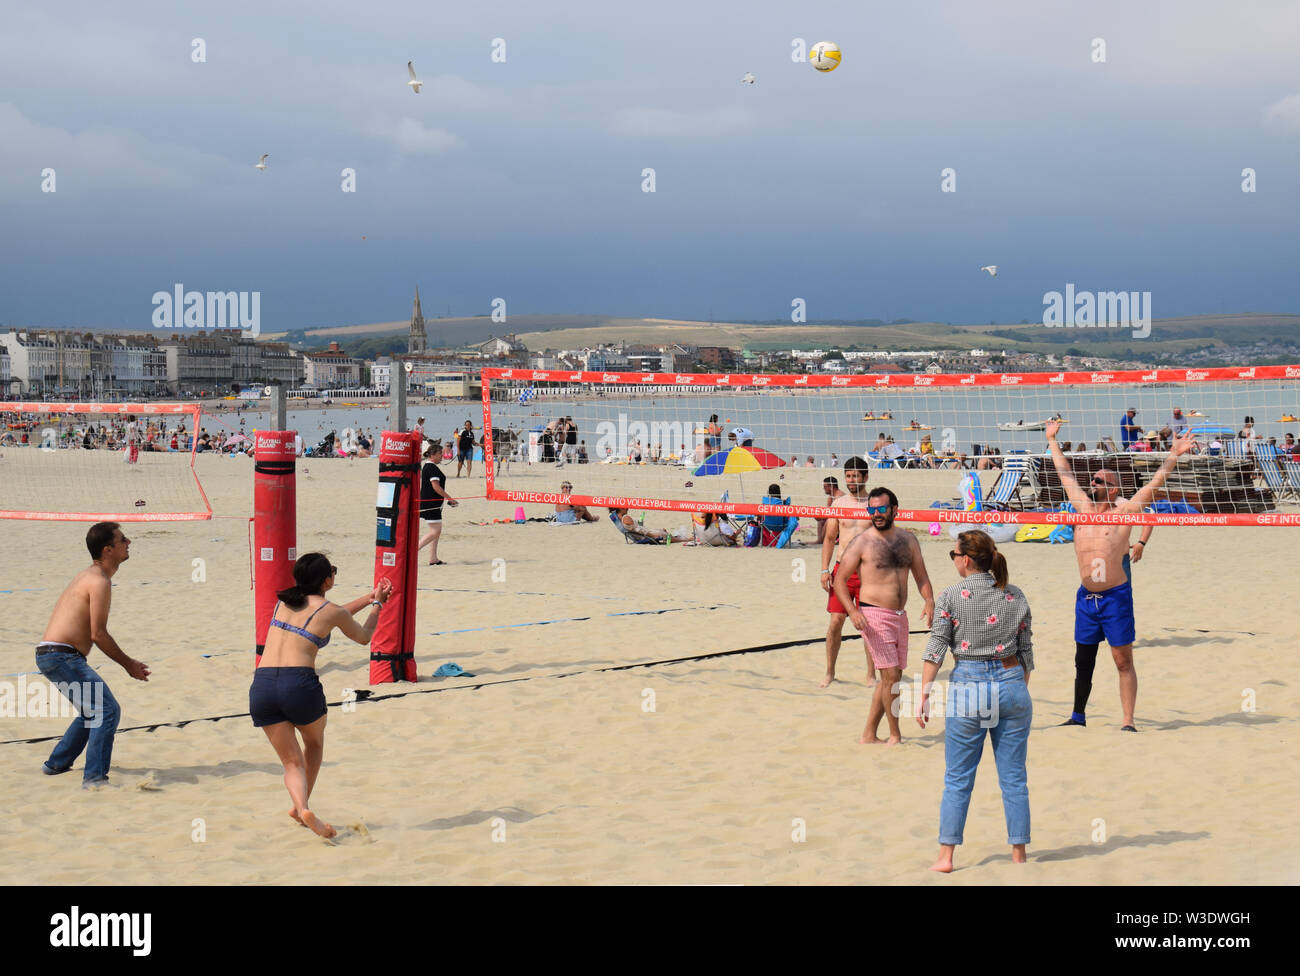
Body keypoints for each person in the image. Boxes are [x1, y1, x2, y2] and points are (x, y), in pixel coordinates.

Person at [1045, 420, 1194, 731]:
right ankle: (1078, 717)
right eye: (1093, 479)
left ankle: (1128, 721)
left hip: (1115, 598)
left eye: (1099, 480)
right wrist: (1052, 439)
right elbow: (1064, 473)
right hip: (1086, 598)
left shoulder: (1123, 512)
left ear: (1112, 488)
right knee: (1083, 662)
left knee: (1123, 661)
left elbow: (1156, 481)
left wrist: (1174, 455)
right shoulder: (1082, 508)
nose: (1093, 482)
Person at [251, 553, 393, 839]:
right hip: (298, 684)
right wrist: (377, 605)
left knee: (292, 763)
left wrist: (368, 597)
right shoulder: (331, 611)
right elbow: (363, 635)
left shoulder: (284, 602)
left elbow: (336, 612)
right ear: (327, 579)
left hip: (262, 685)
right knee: (313, 746)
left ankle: (301, 808)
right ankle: (301, 807)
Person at [919, 530, 1033, 872]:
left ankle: (946, 857)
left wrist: (924, 692)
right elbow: (1027, 651)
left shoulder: (951, 595)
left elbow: (936, 647)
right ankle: (1018, 854)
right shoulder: (1015, 594)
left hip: (969, 683)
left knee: (958, 777)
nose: (954, 560)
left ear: (966, 559)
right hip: (1011, 683)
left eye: (954, 554)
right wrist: (1018, 686)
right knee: (1014, 777)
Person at [34, 522, 150, 788]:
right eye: (123, 539)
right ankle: (95, 778)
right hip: (60, 655)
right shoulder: (98, 581)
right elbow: (98, 634)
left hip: (51, 654)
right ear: (108, 549)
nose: (129, 542)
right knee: (107, 710)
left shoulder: (91, 576)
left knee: (91, 711)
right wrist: (128, 664)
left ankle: (56, 764)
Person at [832, 487, 935, 744]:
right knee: (890, 676)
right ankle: (895, 735)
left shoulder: (908, 540)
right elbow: (840, 581)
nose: (876, 514)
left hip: (899, 615)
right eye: (872, 509)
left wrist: (929, 599)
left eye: (881, 509)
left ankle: (868, 734)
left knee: (893, 676)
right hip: (873, 614)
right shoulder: (862, 542)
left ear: (894, 510)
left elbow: (920, 575)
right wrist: (853, 611)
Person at [819, 456, 874, 688]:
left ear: (865, 477)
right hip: (842, 570)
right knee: (836, 622)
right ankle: (830, 672)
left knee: (869, 624)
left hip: (868, 571)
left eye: (855, 476)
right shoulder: (839, 504)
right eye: (848, 476)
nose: (851, 480)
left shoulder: (874, 503)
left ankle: (871, 675)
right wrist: (824, 569)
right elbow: (830, 538)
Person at [417, 441, 458, 565]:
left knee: (436, 531)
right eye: (440, 454)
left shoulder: (429, 466)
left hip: (433, 503)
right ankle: (413, 551)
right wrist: (450, 498)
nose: (442, 456)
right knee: (435, 531)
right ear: (433, 454)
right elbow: (436, 487)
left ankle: (433, 558)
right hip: (430, 504)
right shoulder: (431, 467)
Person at [815, 476, 845, 545]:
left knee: (829, 520)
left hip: (843, 523)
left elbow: (836, 515)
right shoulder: (830, 497)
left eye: (825, 487)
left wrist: (821, 516)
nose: (824, 489)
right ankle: (820, 540)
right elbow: (828, 512)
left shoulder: (839, 497)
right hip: (836, 521)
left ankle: (821, 541)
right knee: (821, 521)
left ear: (831, 487)